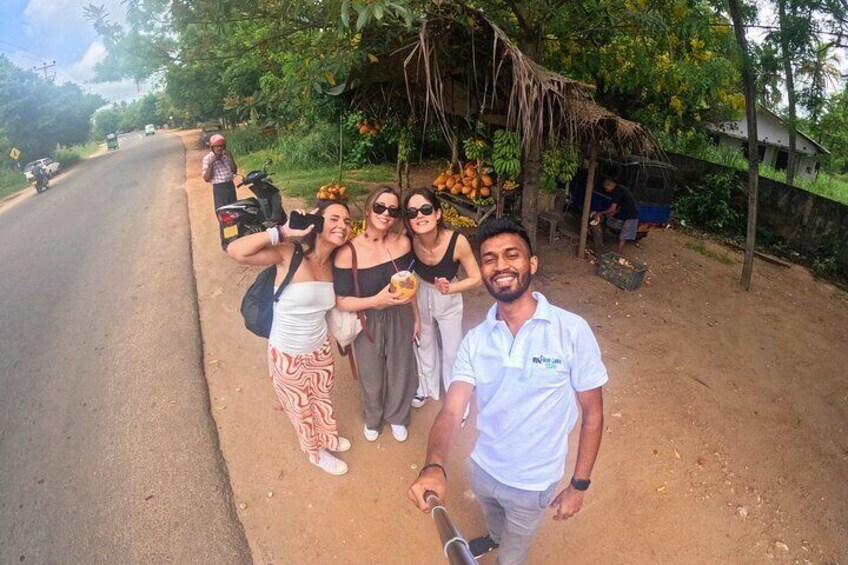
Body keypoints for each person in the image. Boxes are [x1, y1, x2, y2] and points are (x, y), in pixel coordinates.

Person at [408, 218, 608, 565]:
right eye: (489, 259)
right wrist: (435, 465)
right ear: (482, 271)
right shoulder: (476, 340)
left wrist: (579, 485)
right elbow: (452, 411)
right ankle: (494, 537)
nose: (500, 265)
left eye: (511, 255)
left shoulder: (571, 331)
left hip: (533, 483)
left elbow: (593, 413)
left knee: (514, 556)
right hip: (483, 468)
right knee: (494, 521)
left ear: (531, 263)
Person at [227, 201, 353, 476]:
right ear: (317, 223)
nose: (342, 226)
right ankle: (315, 453)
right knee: (301, 408)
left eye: (347, 221)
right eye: (334, 218)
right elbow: (235, 251)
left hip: (319, 349)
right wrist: (282, 232)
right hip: (287, 353)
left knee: (321, 399)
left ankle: (328, 438)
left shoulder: (337, 262)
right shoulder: (289, 253)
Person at [333, 186, 420, 443]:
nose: (386, 214)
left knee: (401, 367)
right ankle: (373, 417)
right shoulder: (348, 252)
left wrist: (416, 317)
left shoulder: (403, 243)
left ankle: (397, 415)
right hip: (367, 318)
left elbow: (409, 284)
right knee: (371, 373)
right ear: (369, 209)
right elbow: (341, 301)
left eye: (393, 210)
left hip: (401, 314)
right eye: (380, 207)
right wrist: (376, 301)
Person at [402, 188, 481, 416]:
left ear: (437, 214)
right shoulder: (409, 241)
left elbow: (476, 278)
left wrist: (451, 288)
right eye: (413, 212)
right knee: (424, 341)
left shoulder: (458, 242)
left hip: (449, 296)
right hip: (420, 291)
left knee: (452, 350)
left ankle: (457, 396)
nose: (420, 215)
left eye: (426, 209)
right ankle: (426, 387)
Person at [201, 133, 238, 248]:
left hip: (230, 186)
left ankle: (235, 238)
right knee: (225, 216)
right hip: (219, 189)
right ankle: (227, 242)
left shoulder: (227, 155)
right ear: (212, 147)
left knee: (234, 213)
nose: (219, 148)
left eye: (222, 146)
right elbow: (206, 178)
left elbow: (234, 170)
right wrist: (212, 164)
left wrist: (230, 157)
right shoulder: (208, 159)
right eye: (217, 146)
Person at [592, 176, 639, 254]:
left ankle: (617, 254)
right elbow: (623, 202)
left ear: (610, 185)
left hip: (631, 216)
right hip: (629, 214)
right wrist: (616, 211)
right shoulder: (621, 188)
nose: (606, 190)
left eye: (606, 188)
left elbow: (612, 208)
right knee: (620, 232)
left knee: (623, 236)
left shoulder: (617, 192)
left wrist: (600, 213)